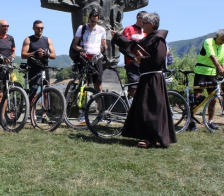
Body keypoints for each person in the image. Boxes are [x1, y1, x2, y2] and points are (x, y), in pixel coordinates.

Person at [111, 12, 177, 148]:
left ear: (151, 25)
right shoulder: (149, 38)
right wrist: (118, 37)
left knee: (151, 109)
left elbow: (158, 60)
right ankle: (147, 136)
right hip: (147, 77)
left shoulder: (158, 39)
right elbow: (133, 45)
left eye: (144, 23)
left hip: (154, 79)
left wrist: (142, 59)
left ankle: (151, 138)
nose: (142, 25)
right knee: (144, 108)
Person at [188, 29, 224, 131]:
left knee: (213, 98)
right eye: (223, 40)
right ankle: (191, 121)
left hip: (212, 73)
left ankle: (210, 121)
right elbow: (212, 56)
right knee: (197, 98)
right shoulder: (208, 42)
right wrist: (219, 68)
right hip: (201, 71)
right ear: (218, 37)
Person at [71, 10, 107, 123]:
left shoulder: (101, 30)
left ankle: (101, 112)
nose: (93, 23)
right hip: (84, 59)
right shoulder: (82, 28)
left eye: (95, 22)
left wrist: (104, 48)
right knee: (84, 86)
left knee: (98, 86)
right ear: (88, 19)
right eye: (92, 21)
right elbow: (74, 44)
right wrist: (81, 50)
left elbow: (105, 44)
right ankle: (83, 112)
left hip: (96, 59)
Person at [21, 20, 56, 101]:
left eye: (42, 28)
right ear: (33, 28)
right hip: (33, 69)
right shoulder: (28, 39)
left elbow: (54, 55)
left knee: (46, 92)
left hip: (44, 69)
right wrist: (35, 53)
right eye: (38, 28)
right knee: (33, 93)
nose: (40, 30)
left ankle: (44, 113)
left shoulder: (48, 40)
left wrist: (46, 54)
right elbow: (23, 55)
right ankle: (32, 113)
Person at [121, 11, 147, 98]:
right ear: (138, 17)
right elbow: (123, 46)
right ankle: (134, 108)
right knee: (134, 86)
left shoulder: (146, 32)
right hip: (131, 63)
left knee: (142, 87)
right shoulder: (129, 29)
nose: (145, 22)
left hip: (143, 63)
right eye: (144, 19)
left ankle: (129, 105)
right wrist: (132, 57)